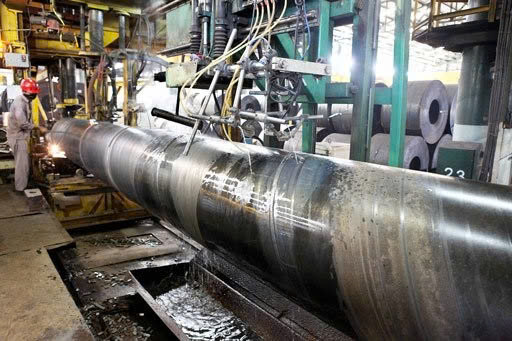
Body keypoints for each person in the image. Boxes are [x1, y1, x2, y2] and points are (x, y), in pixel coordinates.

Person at [6, 78, 47, 194]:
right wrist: (38, 127)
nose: (35, 95)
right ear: (29, 93)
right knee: (22, 164)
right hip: (18, 138)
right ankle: (20, 188)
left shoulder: (25, 101)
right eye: (34, 93)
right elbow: (22, 123)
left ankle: (23, 183)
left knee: (24, 162)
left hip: (21, 137)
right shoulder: (20, 103)